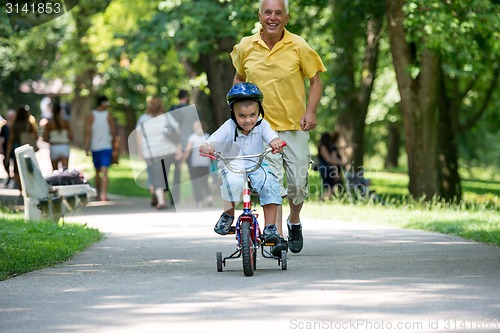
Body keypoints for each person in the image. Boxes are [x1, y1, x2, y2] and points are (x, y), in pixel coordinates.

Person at [230, 0, 326, 253]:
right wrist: (239, 116)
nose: (273, 17)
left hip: (294, 127)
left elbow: (316, 80)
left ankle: (293, 221)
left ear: (286, 17)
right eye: (268, 13)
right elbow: (239, 79)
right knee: (271, 183)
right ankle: (278, 238)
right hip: (260, 129)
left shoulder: (299, 45)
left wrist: (311, 112)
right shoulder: (245, 46)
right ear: (260, 16)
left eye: (278, 13)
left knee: (297, 184)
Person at [199, 82, 287, 256]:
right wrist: (207, 146)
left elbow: (272, 137)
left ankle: (270, 227)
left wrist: (275, 142)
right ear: (233, 113)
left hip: (257, 163)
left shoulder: (262, 125)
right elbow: (214, 140)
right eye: (242, 116)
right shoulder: (228, 127)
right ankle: (228, 215)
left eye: (253, 115)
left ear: (259, 112)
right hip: (234, 164)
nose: (248, 120)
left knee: (269, 182)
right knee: (232, 183)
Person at [137, 96, 182, 209]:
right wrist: (179, 148)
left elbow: (139, 136)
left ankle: (160, 199)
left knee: (156, 176)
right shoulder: (166, 117)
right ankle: (160, 197)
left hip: (151, 152)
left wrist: (140, 151)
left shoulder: (143, 118)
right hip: (168, 150)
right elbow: (177, 131)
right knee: (164, 175)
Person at [84, 96, 117, 202]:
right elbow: (88, 133)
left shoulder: (97, 115)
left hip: (104, 146)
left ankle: (102, 194)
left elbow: (113, 132)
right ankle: (100, 193)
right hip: (99, 147)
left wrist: (87, 146)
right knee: (99, 172)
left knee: (103, 171)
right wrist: (87, 146)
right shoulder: (102, 115)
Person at [5, 105, 38, 193]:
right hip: (27, 148)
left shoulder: (14, 125)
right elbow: (36, 136)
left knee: (16, 169)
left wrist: (7, 155)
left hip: (17, 147)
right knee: (29, 168)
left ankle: (21, 189)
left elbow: (10, 140)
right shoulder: (29, 124)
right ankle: (28, 188)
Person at [182, 120, 212, 208]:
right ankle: (209, 198)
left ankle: (200, 202)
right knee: (205, 182)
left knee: (196, 183)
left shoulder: (192, 137)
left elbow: (188, 151)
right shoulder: (207, 136)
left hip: (196, 164)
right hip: (205, 164)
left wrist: (182, 161)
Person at [43, 103, 74, 171]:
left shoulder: (49, 124)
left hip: (54, 147)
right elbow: (71, 136)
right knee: (65, 171)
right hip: (64, 146)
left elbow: (44, 138)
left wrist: (51, 141)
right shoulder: (65, 122)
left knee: (55, 171)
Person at [317, 131, 344, 201]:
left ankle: (326, 199)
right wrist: (340, 163)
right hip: (326, 169)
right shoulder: (323, 147)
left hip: (330, 169)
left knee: (331, 188)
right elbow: (328, 159)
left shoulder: (327, 147)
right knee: (330, 187)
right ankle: (321, 199)